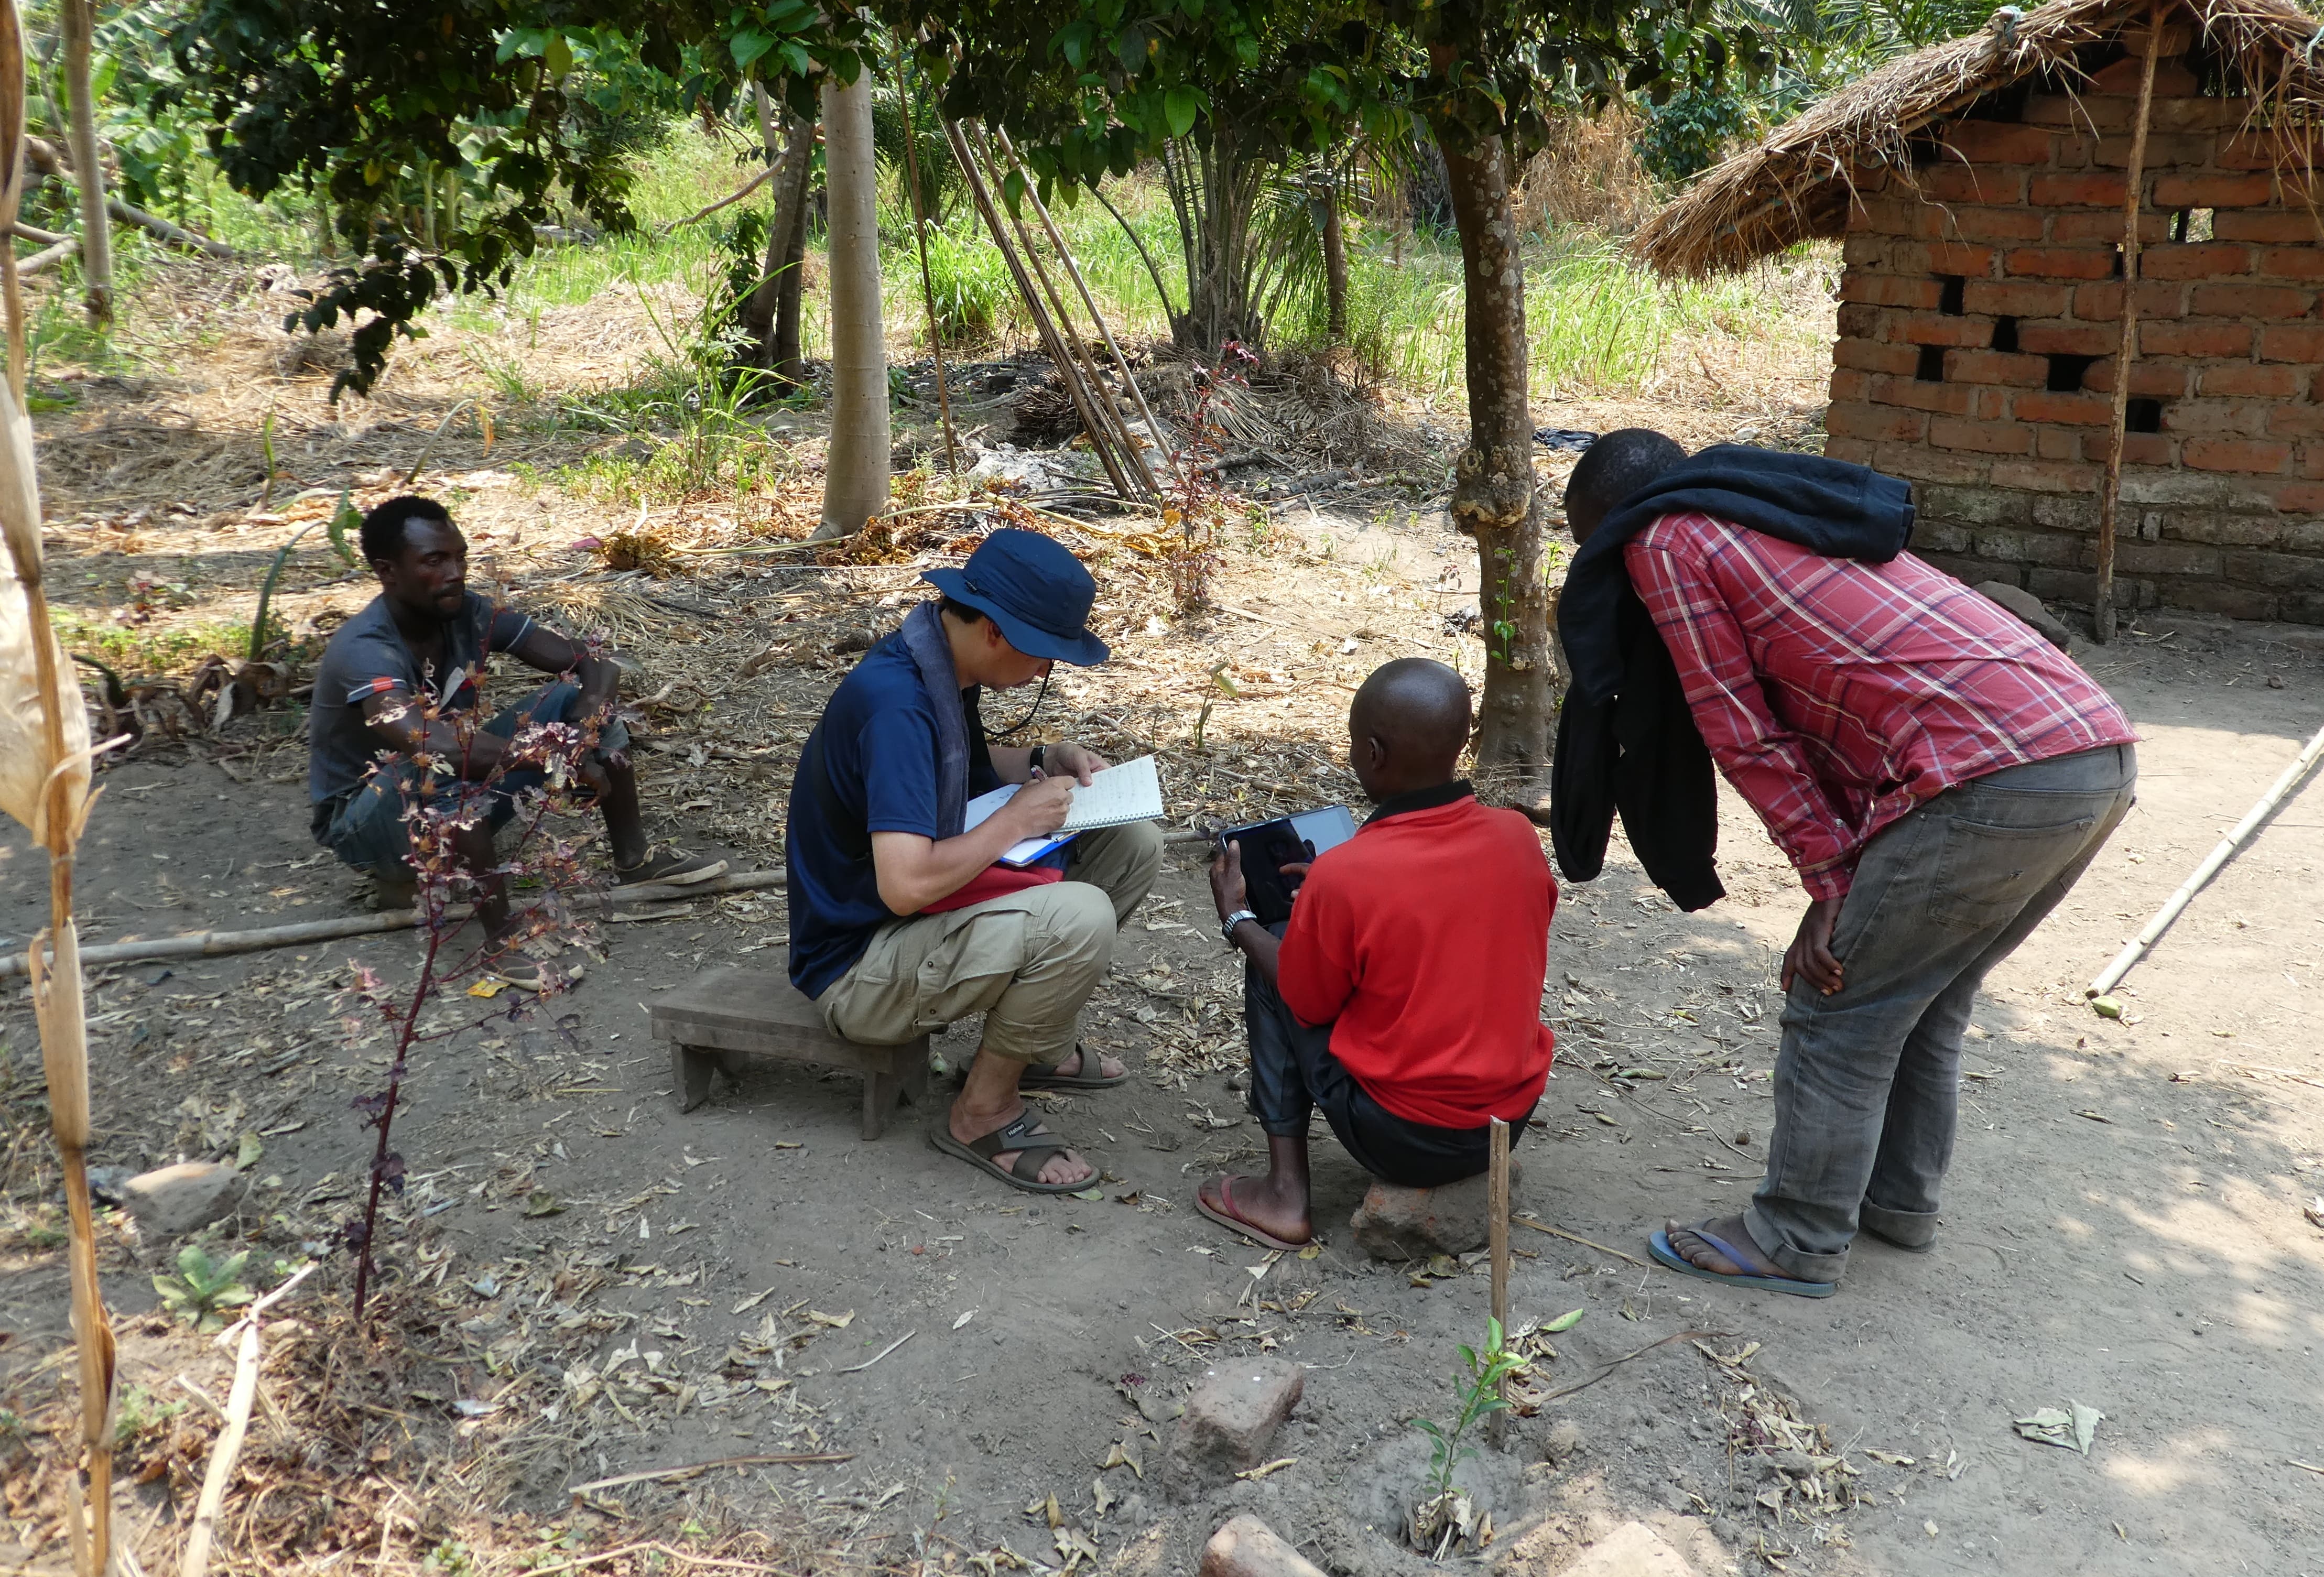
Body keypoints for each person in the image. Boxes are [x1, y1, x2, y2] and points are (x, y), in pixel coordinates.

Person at [1556, 431, 2138, 1298]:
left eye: (1589, 541)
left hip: (1995, 778)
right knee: (1921, 995)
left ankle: (1795, 1235)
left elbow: (1739, 728)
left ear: (1608, 520)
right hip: (2089, 749)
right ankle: (1898, 1202)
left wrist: (1829, 884)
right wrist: (1838, 881)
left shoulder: (1667, 539)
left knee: (1839, 1005)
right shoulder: (1765, 513)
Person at [785, 528, 1160, 1192]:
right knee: (1080, 917)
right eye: (1044, 654)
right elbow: (904, 885)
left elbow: (965, 776)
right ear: (993, 630)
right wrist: (1017, 819)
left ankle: (1037, 1045)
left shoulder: (940, 664)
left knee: (1132, 843)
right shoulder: (898, 705)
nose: (1047, 671)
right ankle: (982, 1111)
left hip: (907, 922)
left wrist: (1049, 760)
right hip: (859, 965)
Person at [1196, 658, 1556, 1250]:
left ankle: (1284, 1196)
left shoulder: (1348, 875)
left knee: (1273, 961)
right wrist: (1341, 902)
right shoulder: (1516, 836)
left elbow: (1304, 999)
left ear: (1373, 752)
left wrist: (1238, 918)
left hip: (1408, 1137)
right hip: (1504, 1121)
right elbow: (1460, 925)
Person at [308, 495, 724, 980]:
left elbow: (593, 663)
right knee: (437, 767)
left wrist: (579, 737)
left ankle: (635, 859)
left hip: (440, 788)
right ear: (387, 571)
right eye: (434, 560)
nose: (456, 571)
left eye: (460, 556)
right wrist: (553, 756)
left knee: (585, 707)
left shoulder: (467, 613)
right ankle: (500, 945)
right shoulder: (367, 649)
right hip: (365, 821)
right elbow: (428, 743)